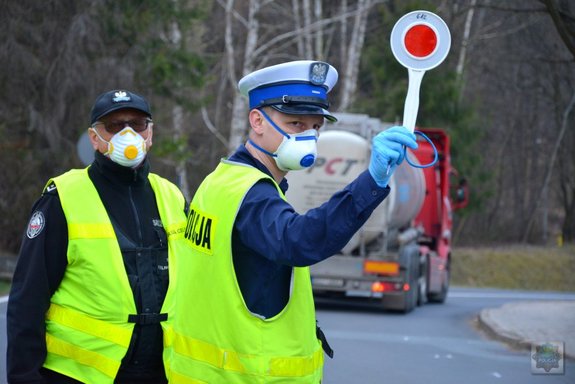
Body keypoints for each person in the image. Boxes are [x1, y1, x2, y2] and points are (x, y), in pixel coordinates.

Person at [166, 60, 418, 383]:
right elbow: (300, 240)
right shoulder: (252, 194)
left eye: (315, 127)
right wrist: (372, 181)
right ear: (256, 120)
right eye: (295, 123)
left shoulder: (221, 179)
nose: (309, 136)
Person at [6, 90, 188, 384]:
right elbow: (28, 299)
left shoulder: (171, 195)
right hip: (79, 375)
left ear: (150, 134)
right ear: (94, 138)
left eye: (138, 124)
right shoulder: (63, 198)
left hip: (161, 373)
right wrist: (24, 376)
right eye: (115, 126)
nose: (128, 134)